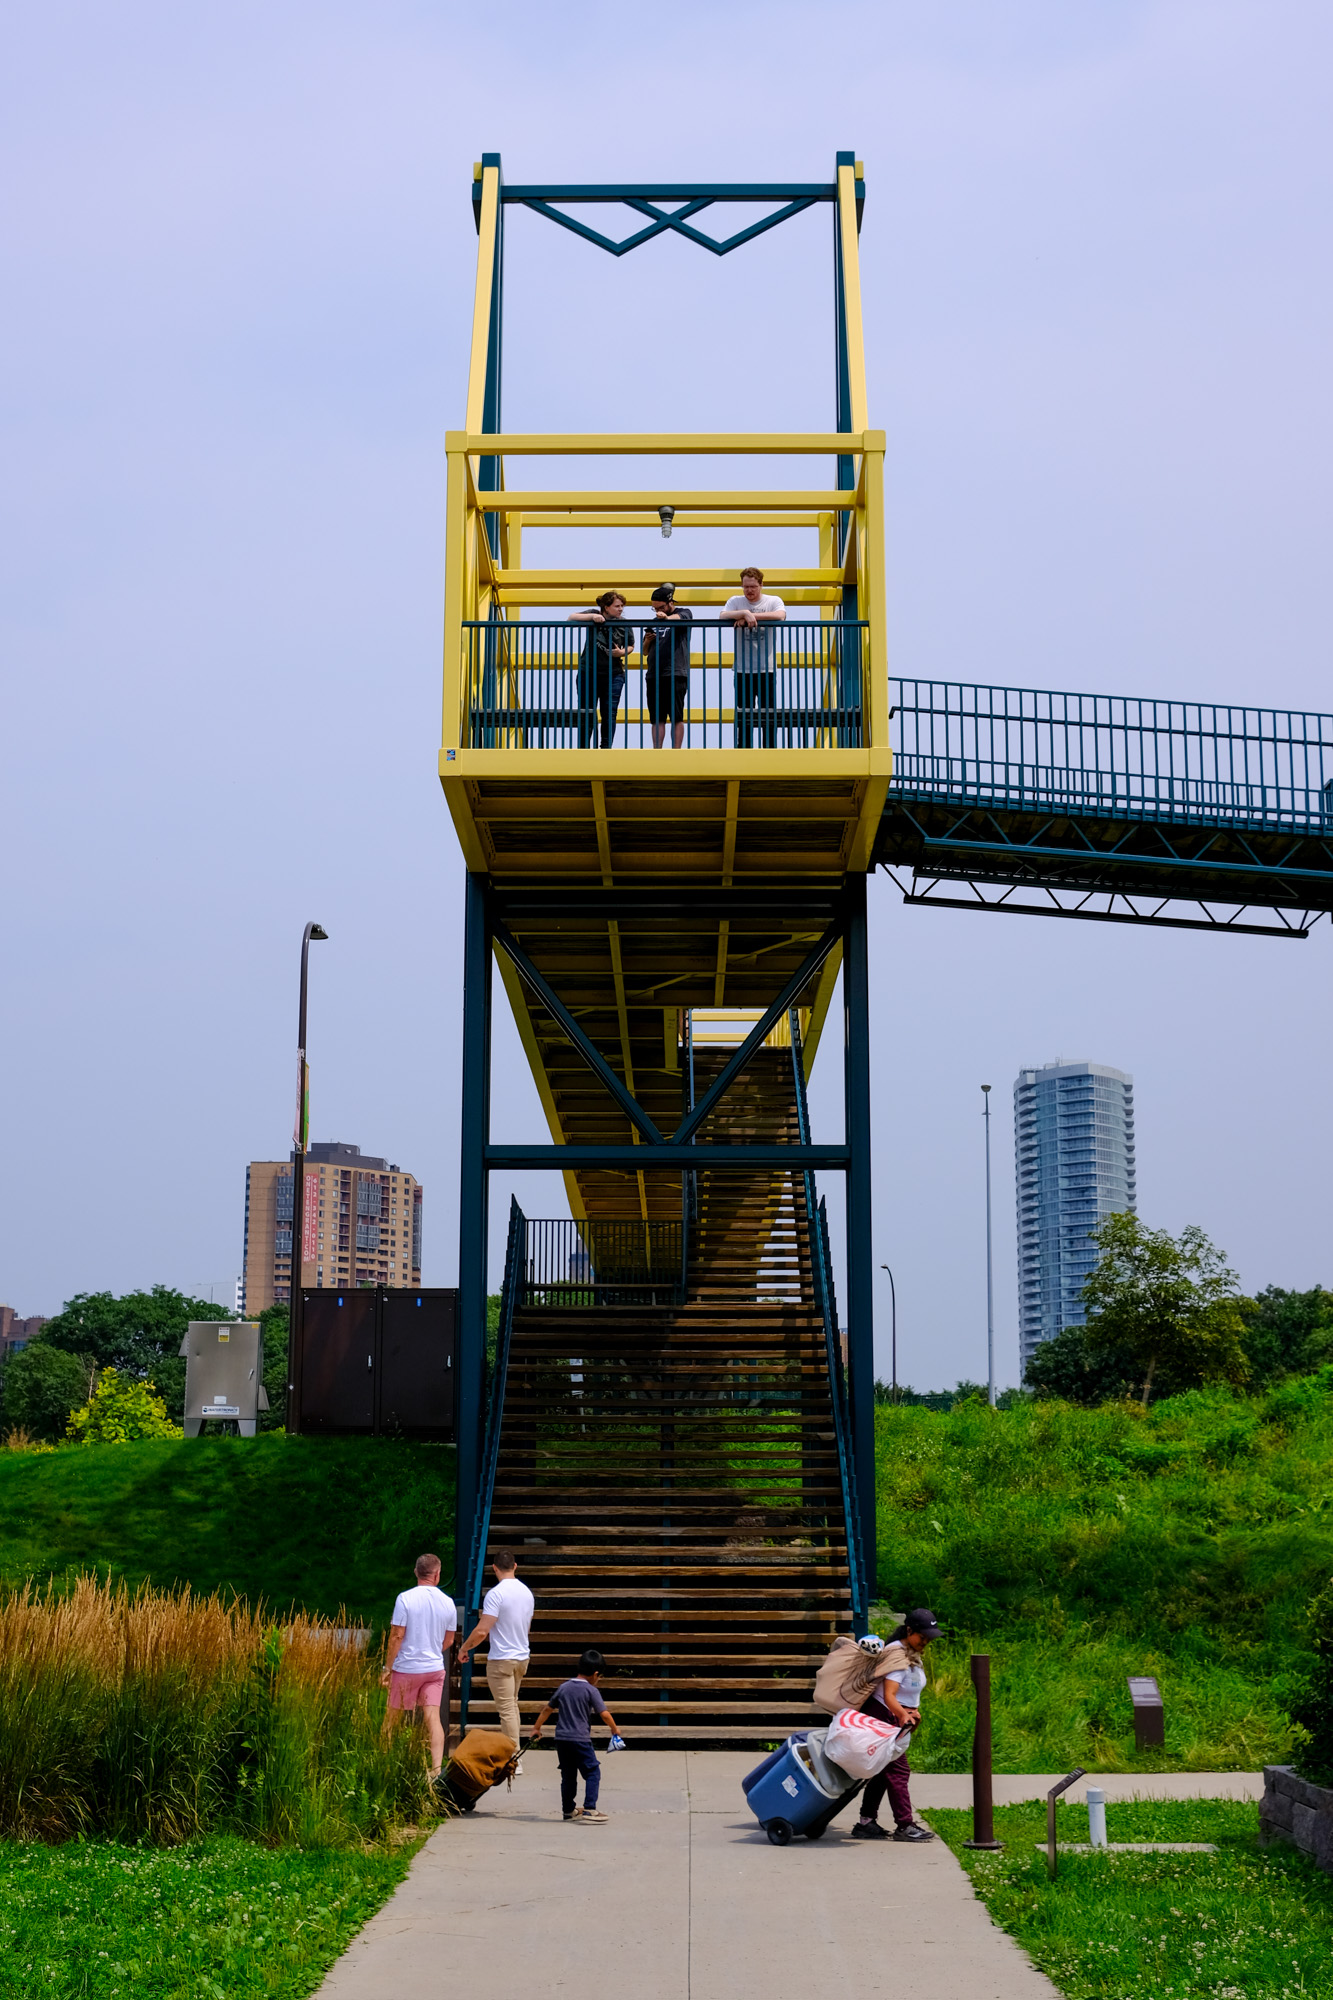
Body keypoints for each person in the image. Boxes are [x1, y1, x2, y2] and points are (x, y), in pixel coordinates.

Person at [851, 1608, 942, 1842]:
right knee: (899, 1771)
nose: (926, 1642)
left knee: (882, 1772)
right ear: (909, 1630)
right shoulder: (896, 1655)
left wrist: (913, 1710)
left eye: (929, 1638)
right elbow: (890, 1695)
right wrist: (903, 1714)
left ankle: (866, 1822)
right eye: (923, 1637)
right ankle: (905, 1825)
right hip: (884, 1717)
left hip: (894, 1718)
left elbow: (907, 1690)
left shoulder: (910, 1652)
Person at [380, 1552, 457, 1781]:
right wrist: (432, 1651)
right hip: (434, 1668)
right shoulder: (448, 1602)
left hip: (406, 1669)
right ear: (437, 1574)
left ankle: (384, 1764)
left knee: (392, 1718)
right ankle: (435, 1770)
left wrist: (387, 1668)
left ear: (416, 1572)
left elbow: (396, 1635)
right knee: (432, 1717)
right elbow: (450, 1640)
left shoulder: (405, 1599)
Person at [457, 1547, 535, 1755]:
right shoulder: (527, 1593)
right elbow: (527, 1627)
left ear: (494, 1568)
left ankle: (513, 1755)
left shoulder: (496, 1594)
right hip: (522, 1656)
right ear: (515, 1566)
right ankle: (514, 1749)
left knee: (506, 1709)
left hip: (502, 1657)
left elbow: (482, 1630)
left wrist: (464, 1647)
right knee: (513, 1705)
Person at [529, 1648, 622, 1823]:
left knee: (568, 1775)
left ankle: (568, 1810)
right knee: (593, 1771)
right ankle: (590, 1808)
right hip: (580, 1739)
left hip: (562, 1739)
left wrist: (536, 1728)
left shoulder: (564, 1687)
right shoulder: (591, 1691)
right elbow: (604, 1714)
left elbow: (547, 1708)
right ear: (595, 1674)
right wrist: (614, 1729)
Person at [721, 566, 786, 747]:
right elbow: (722, 615)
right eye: (746, 587)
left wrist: (752, 617)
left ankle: (769, 749)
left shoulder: (772, 600)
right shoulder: (736, 601)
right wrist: (744, 613)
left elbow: (780, 615)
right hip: (743, 669)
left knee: (768, 714)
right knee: (744, 715)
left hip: (767, 668)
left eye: (753, 587)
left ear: (761, 585)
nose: (749, 591)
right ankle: (744, 749)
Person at [569, 591, 632, 746]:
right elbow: (571, 617)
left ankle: (605, 747)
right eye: (617, 606)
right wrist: (592, 618)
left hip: (613, 674)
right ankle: (584, 747)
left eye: (622, 606)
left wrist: (621, 652)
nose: (620, 609)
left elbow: (631, 645)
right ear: (606, 607)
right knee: (587, 712)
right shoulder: (594, 614)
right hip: (588, 672)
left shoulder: (623, 623)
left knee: (609, 713)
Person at [641, 584, 693, 749]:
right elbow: (644, 652)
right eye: (654, 609)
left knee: (677, 715)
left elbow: (682, 618)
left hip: (676, 672)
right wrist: (648, 640)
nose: (657, 611)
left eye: (660, 607)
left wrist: (666, 618)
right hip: (654, 673)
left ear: (670, 602)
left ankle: (676, 750)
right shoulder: (654, 621)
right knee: (657, 717)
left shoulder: (683, 612)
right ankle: (657, 750)